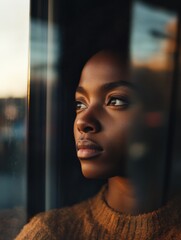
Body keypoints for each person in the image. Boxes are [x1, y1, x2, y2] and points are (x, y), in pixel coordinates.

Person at [16, 50, 181, 239]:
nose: (82, 122)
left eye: (116, 100)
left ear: (161, 117)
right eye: (80, 104)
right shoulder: (50, 233)